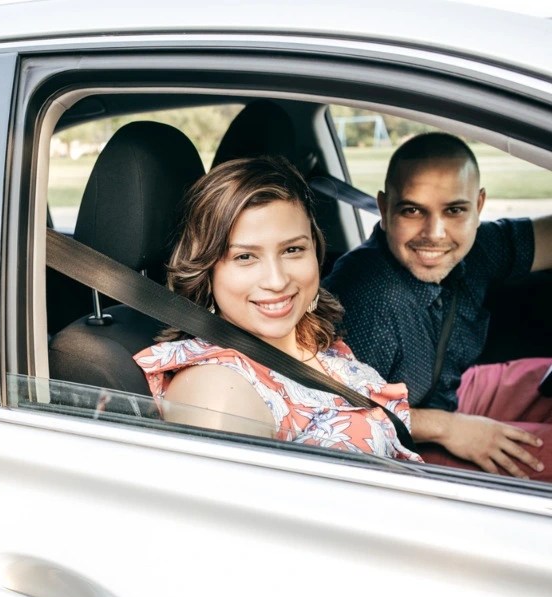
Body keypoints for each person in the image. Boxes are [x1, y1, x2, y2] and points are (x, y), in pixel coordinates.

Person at [134, 156, 422, 462]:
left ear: (315, 247)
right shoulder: (219, 391)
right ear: (207, 268)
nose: (277, 280)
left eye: (292, 250)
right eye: (245, 257)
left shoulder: (311, 343)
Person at [323, 132, 552, 481]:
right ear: (385, 209)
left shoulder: (477, 250)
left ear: (479, 206)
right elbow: (338, 416)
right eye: (413, 210)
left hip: (447, 394)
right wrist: (448, 428)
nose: (436, 233)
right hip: (402, 445)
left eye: (455, 210)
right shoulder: (368, 294)